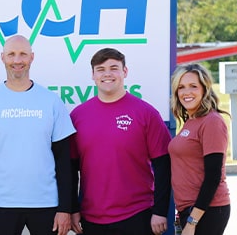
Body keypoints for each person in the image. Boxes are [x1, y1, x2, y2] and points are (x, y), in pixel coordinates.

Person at [0, 35, 76, 235]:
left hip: (47, 204)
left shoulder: (51, 101)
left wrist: (65, 208)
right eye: (11, 54)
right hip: (0, 204)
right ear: (2, 57)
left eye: (23, 54)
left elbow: (64, 161)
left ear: (32, 57)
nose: (17, 60)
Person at [70, 47, 172, 235]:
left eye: (114, 68)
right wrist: (73, 209)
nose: (107, 74)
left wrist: (160, 211)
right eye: (100, 69)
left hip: (138, 215)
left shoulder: (146, 113)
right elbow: (69, 169)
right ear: (92, 75)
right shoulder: (78, 116)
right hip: (92, 219)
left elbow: (163, 166)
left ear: (125, 72)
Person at [168, 63, 231, 235]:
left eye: (193, 86)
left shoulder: (212, 121)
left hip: (207, 211)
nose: (186, 92)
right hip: (190, 210)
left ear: (205, 89)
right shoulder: (192, 120)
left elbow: (213, 176)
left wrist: (192, 220)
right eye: (181, 87)